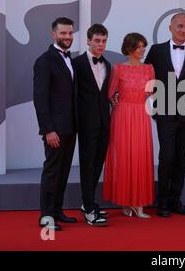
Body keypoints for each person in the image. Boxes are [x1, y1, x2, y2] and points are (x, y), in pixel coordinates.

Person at [145, 12, 185, 218]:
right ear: (170, 28)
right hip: (165, 114)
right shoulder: (156, 50)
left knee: (181, 159)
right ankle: (162, 202)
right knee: (167, 156)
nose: (183, 30)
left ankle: (175, 200)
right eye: (179, 26)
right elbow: (145, 77)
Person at [102, 33, 155, 219]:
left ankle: (138, 203)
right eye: (139, 46)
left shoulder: (149, 69)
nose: (142, 50)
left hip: (141, 115)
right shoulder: (118, 69)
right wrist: (114, 99)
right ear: (130, 48)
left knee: (140, 157)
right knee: (124, 157)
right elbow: (109, 93)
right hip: (123, 115)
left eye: (143, 46)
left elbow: (153, 94)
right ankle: (126, 202)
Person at [33, 17, 78, 231]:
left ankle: (57, 210)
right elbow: (40, 99)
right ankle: (46, 215)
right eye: (63, 33)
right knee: (52, 171)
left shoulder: (70, 59)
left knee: (63, 170)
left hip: (70, 127)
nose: (67, 37)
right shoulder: (45, 60)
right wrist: (48, 129)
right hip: (55, 130)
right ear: (54, 34)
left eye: (70, 33)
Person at [72, 24, 110, 227]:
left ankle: (89, 203)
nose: (101, 45)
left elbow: (103, 94)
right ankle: (89, 208)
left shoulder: (108, 64)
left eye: (104, 41)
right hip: (86, 124)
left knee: (97, 166)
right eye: (97, 40)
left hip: (105, 123)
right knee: (87, 166)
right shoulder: (76, 63)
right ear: (88, 40)